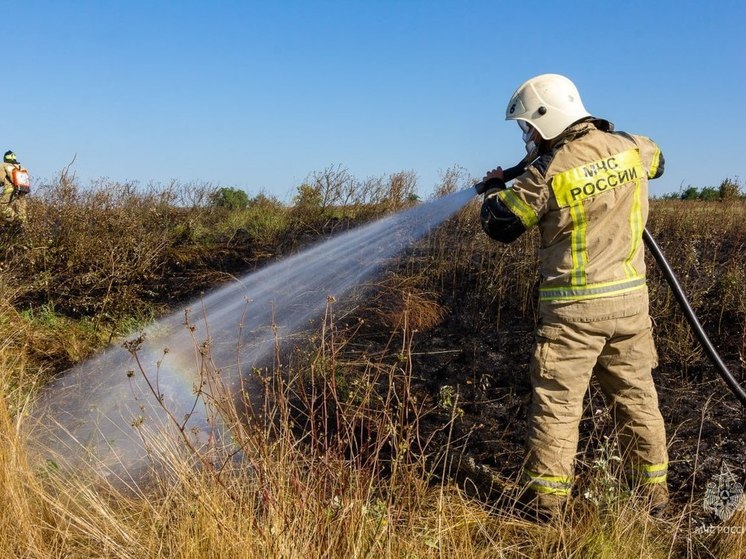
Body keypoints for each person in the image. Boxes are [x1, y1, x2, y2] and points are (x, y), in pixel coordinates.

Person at [479, 74, 668, 520]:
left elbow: (501, 224)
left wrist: (493, 191)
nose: (527, 136)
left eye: (529, 126)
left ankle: (546, 507)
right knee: (637, 398)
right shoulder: (634, 146)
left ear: (548, 118)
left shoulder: (549, 173)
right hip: (630, 306)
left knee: (559, 406)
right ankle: (654, 497)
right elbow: (658, 164)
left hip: (574, 314)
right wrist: (520, 170)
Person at [0, 150, 29, 227]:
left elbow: (0, 178)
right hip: (23, 190)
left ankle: (14, 220)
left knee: (2, 207)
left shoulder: (4, 165)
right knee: (21, 211)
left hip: (10, 190)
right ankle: (23, 229)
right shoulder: (21, 167)